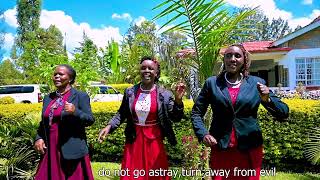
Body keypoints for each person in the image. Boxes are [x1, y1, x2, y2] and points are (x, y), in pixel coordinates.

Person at [191, 44, 289, 180]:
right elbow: (196, 113)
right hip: (221, 148)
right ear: (224, 59)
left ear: (244, 60)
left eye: (237, 56)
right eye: (228, 55)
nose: (233, 59)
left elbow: (283, 112)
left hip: (250, 148)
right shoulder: (212, 84)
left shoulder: (256, 83)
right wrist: (203, 134)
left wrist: (267, 100)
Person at [98, 56, 186, 180]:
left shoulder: (164, 94)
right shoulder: (130, 92)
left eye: (150, 68)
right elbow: (121, 113)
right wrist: (109, 126)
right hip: (134, 138)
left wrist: (178, 100)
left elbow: (176, 117)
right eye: (143, 68)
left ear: (156, 73)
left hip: (154, 140)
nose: (146, 71)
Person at [34, 64, 94, 180]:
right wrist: (38, 137)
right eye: (55, 74)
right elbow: (44, 122)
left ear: (70, 79)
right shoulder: (48, 98)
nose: (56, 77)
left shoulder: (80, 96)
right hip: (50, 147)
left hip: (70, 147)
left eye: (60, 74)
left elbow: (90, 120)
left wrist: (75, 111)